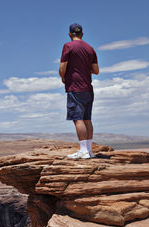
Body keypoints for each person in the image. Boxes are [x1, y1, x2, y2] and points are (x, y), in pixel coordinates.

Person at [59, 23, 99, 159]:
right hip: (88, 88)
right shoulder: (90, 48)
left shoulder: (68, 46)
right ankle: (89, 151)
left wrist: (63, 78)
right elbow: (96, 71)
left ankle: (83, 151)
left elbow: (62, 67)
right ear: (82, 34)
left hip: (75, 87)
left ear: (70, 34)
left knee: (78, 119)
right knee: (87, 119)